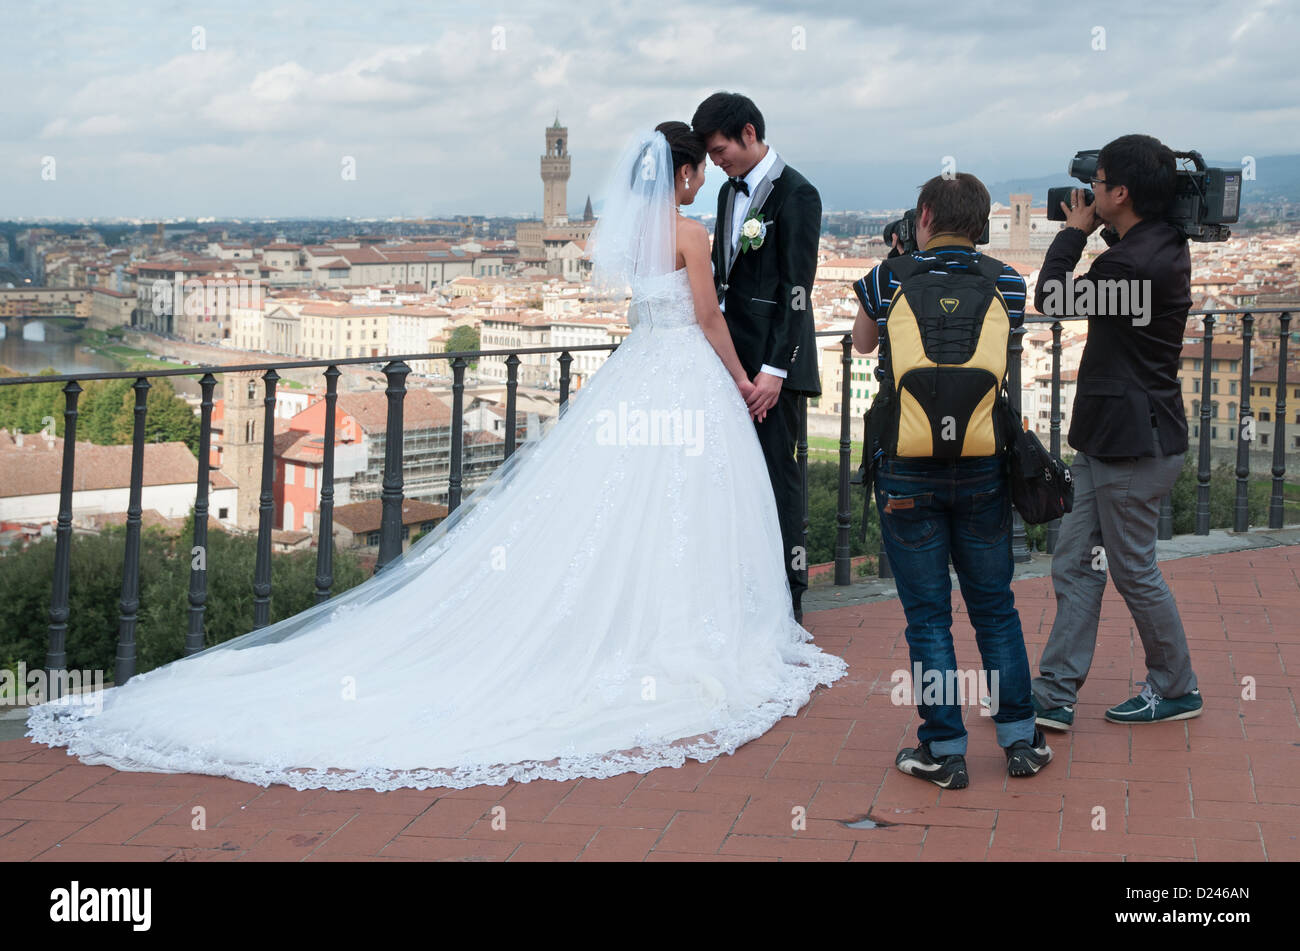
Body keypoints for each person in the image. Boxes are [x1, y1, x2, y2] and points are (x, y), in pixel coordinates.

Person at [25, 123, 846, 792]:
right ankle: (673, 630)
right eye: (697, 170)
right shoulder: (692, 234)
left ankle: (627, 631)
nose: (704, 180)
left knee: (619, 505)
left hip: (634, 378)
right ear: (684, 171)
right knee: (683, 506)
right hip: (685, 379)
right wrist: (745, 378)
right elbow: (706, 320)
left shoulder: (632, 241)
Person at [852, 172, 1051, 787]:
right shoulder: (1008, 281)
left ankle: (944, 748)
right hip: (984, 460)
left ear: (926, 215)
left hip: (908, 467)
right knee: (995, 608)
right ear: (984, 221)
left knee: (928, 618)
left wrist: (897, 258)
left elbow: (863, 346)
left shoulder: (890, 278)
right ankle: (1020, 739)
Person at [1031, 133, 1201, 728]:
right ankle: (1054, 695)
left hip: (1133, 443)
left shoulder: (1132, 262)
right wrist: (1100, 222)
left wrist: (1073, 232)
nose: (1090, 191)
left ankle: (1176, 686)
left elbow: (1051, 298)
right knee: (1076, 562)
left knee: (1132, 569)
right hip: (1112, 438)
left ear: (1122, 191)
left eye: (1099, 183)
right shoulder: (1160, 243)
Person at [691, 92, 822, 623]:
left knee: (777, 477)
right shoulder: (727, 194)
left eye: (720, 149)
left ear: (749, 133)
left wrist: (773, 371)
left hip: (773, 370)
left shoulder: (798, 194)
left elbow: (798, 290)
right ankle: (746, 590)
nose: (716, 161)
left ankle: (788, 600)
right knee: (735, 478)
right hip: (730, 365)